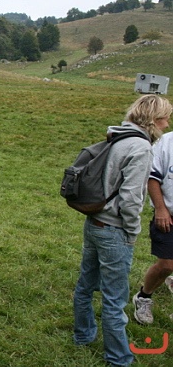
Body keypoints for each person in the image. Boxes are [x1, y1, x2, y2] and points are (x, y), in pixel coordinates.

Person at [73, 94, 172, 367]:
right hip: (114, 230)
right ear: (153, 119)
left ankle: (82, 335)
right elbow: (130, 199)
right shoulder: (141, 147)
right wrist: (132, 231)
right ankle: (118, 358)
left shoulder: (118, 135)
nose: (167, 124)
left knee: (85, 285)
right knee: (114, 300)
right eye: (165, 118)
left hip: (94, 222)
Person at [132, 125, 173, 325]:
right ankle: (144, 296)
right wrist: (160, 209)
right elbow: (153, 177)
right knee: (166, 265)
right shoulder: (166, 142)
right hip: (169, 216)